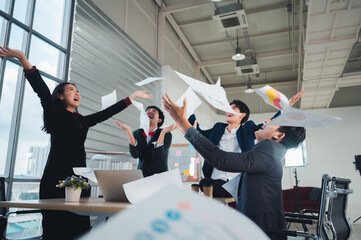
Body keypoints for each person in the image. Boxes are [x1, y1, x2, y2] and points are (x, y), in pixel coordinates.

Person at [0, 46, 152, 240]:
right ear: (60, 96)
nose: (77, 92)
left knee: (79, 230)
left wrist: (132, 98)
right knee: (58, 229)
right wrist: (22, 58)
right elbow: (41, 89)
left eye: (78, 90)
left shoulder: (82, 121)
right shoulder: (55, 114)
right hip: (56, 180)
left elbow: (105, 114)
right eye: (71, 89)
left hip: (79, 180)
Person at [162, 94, 306, 240]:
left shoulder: (268, 150)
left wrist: (181, 121)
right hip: (256, 227)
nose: (266, 121)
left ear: (279, 136)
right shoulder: (272, 152)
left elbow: (220, 159)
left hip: (261, 232)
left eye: (272, 121)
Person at [189, 92, 303, 197]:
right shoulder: (218, 127)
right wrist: (188, 111)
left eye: (233, 108)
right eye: (227, 108)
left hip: (238, 180)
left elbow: (270, 125)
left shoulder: (248, 129)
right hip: (214, 179)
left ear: (242, 115)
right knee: (206, 185)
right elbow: (199, 134)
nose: (228, 110)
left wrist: (287, 106)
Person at [115, 105, 176, 177]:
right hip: (142, 174)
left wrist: (162, 134)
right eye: (148, 110)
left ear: (159, 120)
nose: (150, 111)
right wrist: (129, 131)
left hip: (160, 175)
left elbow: (158, 156)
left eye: (154, 111)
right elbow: (135, 154)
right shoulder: (137, 133)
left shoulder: (166, 134)